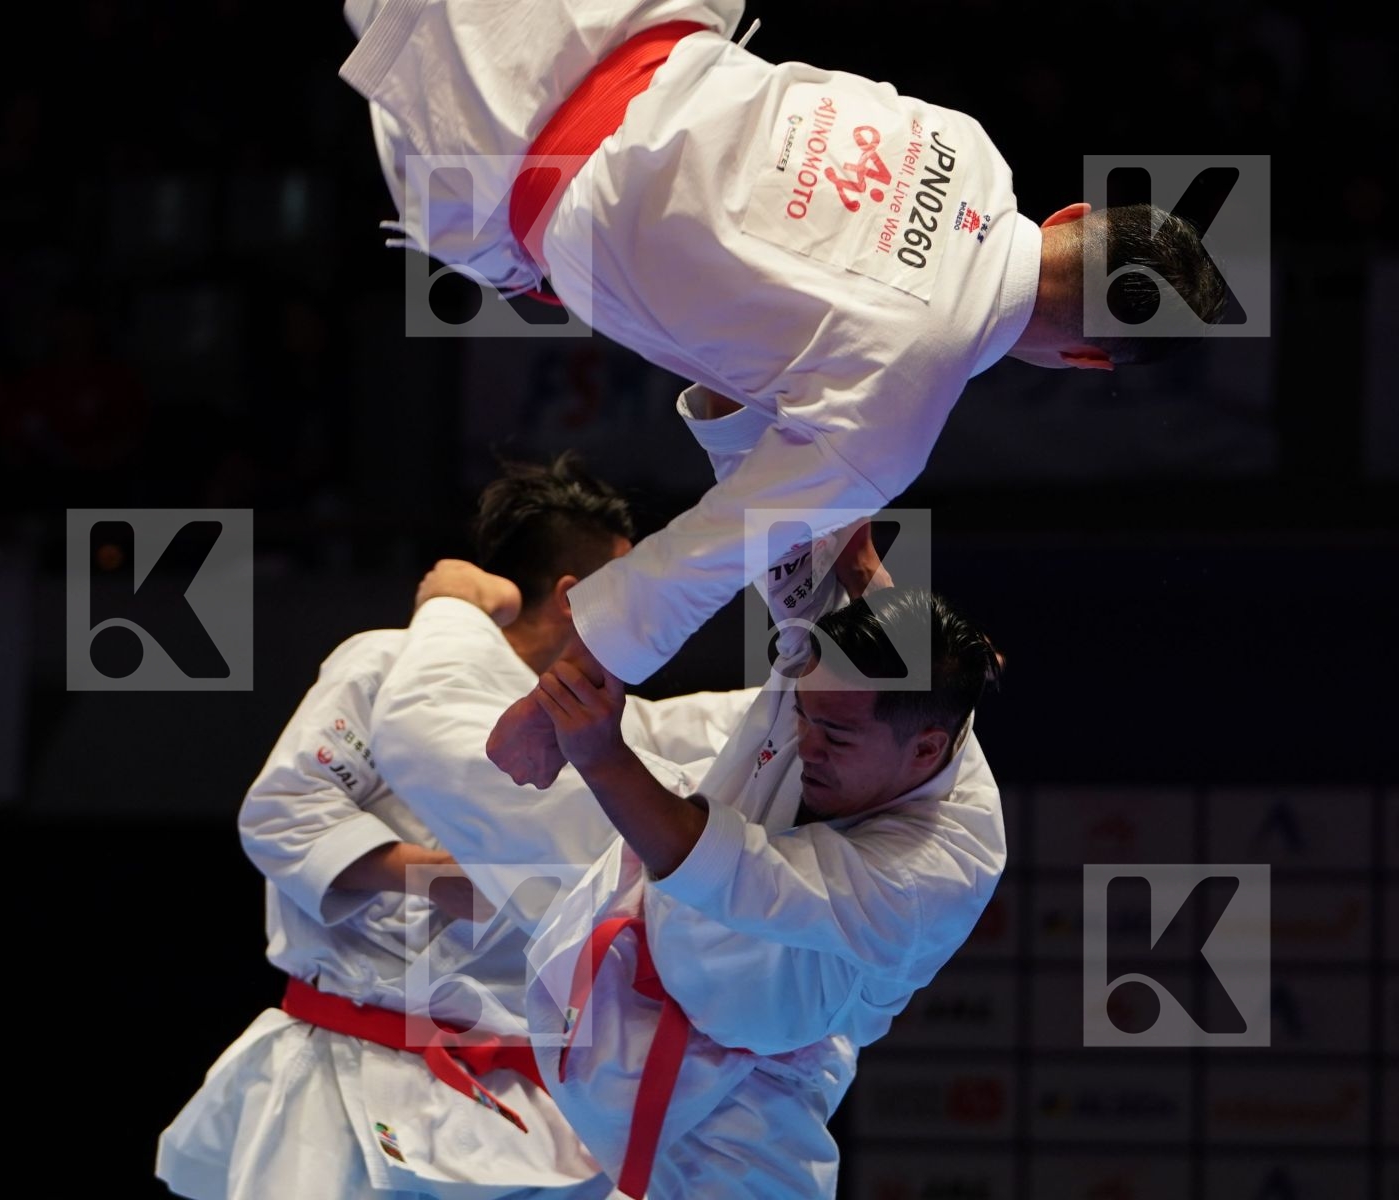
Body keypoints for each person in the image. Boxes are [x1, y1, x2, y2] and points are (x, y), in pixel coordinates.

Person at [340, 0, 1227, 728]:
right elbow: (695, 562)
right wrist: (557, 708)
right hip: (496, 149)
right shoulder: (889, 429)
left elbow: (773, 357)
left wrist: (854, 558)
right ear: (1081, 357)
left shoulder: (962, 142)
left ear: (1072, 215)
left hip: (612, 22)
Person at [156, 454, 766, 1200]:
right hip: (353, 1069)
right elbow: (282, 814)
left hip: (526, 1103)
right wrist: (432, 876)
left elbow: (733, 732)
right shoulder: (388, 663)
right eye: (631, 586)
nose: (651, 611)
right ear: (577, 598)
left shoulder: (612, 731)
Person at [519, 585, 1005, 1198]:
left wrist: (602, 759)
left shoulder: (930, 873)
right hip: (637, 935)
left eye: (836, 735)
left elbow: (740, 875)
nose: (807, 744)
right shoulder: (869, 688)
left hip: (752, 1090)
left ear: (929, 749)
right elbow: (751, 519)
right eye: (802, 711)